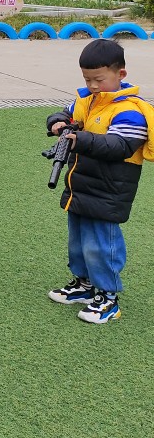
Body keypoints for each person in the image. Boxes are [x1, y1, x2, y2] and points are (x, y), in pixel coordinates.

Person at [46, 38, 149, 325]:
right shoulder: (87, 101)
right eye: (87, 79)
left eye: (98, 79)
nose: (92, 85)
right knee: (78, 241)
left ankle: (108, 297)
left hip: (109, 190)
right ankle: (84, 284)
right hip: (80, 185)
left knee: (101, 244)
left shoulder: (130, 110)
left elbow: (119, 146)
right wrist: (57, 122)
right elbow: (66, 113)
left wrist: (80, 139)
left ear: (120, 74)